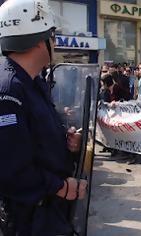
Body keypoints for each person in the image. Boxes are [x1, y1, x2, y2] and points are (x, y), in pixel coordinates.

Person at [0, 0, 87, 235]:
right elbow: (9, 168)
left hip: (49, 211)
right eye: (52, 35)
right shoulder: (8, 91)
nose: (55, 42)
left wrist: (67, 144)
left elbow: (35, 141)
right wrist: (60, 187)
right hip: (29, 218)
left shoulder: (34, 82)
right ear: (39, 39)